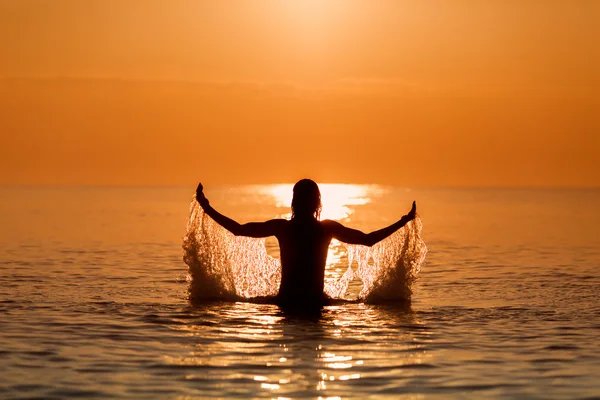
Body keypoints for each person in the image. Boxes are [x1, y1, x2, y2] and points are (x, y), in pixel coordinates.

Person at [195, 179, 416, 309]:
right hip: (316, 305)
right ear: (318, 202)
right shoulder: (325, 229)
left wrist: (207, 208)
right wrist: (402, 221)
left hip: (285, 305)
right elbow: (369, 240)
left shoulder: (284, 228)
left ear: (293, 201)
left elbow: (238, 229)